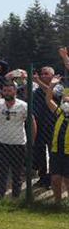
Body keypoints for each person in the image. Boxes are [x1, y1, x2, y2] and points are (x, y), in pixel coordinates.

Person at [0, 82, 35, 199]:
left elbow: (32, 122)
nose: (7, 93)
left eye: (9, 91)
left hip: (18, 143)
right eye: (5, 91)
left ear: (15, 91)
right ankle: (0, 197)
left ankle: (15, 197)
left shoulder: (23, 105)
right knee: (2, 172)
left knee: (17, 173)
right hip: (2, 142)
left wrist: (31, 140)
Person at [38, 69, 69, 203]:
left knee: (67, 179)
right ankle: (57, 202)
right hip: (57, 150)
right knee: (55, 178)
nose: (66, 103)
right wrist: (51, 85)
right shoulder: (60, 113)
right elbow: (48, 99)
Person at [30, 66, 63, 188]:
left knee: (52, 153)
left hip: (53, 126)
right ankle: (43, 177)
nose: (43, 75)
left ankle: (52, 179)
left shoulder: (58, 86)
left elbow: (52, 93)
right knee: (40, 153)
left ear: (52, 75)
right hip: (39, 125)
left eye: (46, 73)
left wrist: (38, 81)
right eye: (41, 73)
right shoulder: (36, 90)